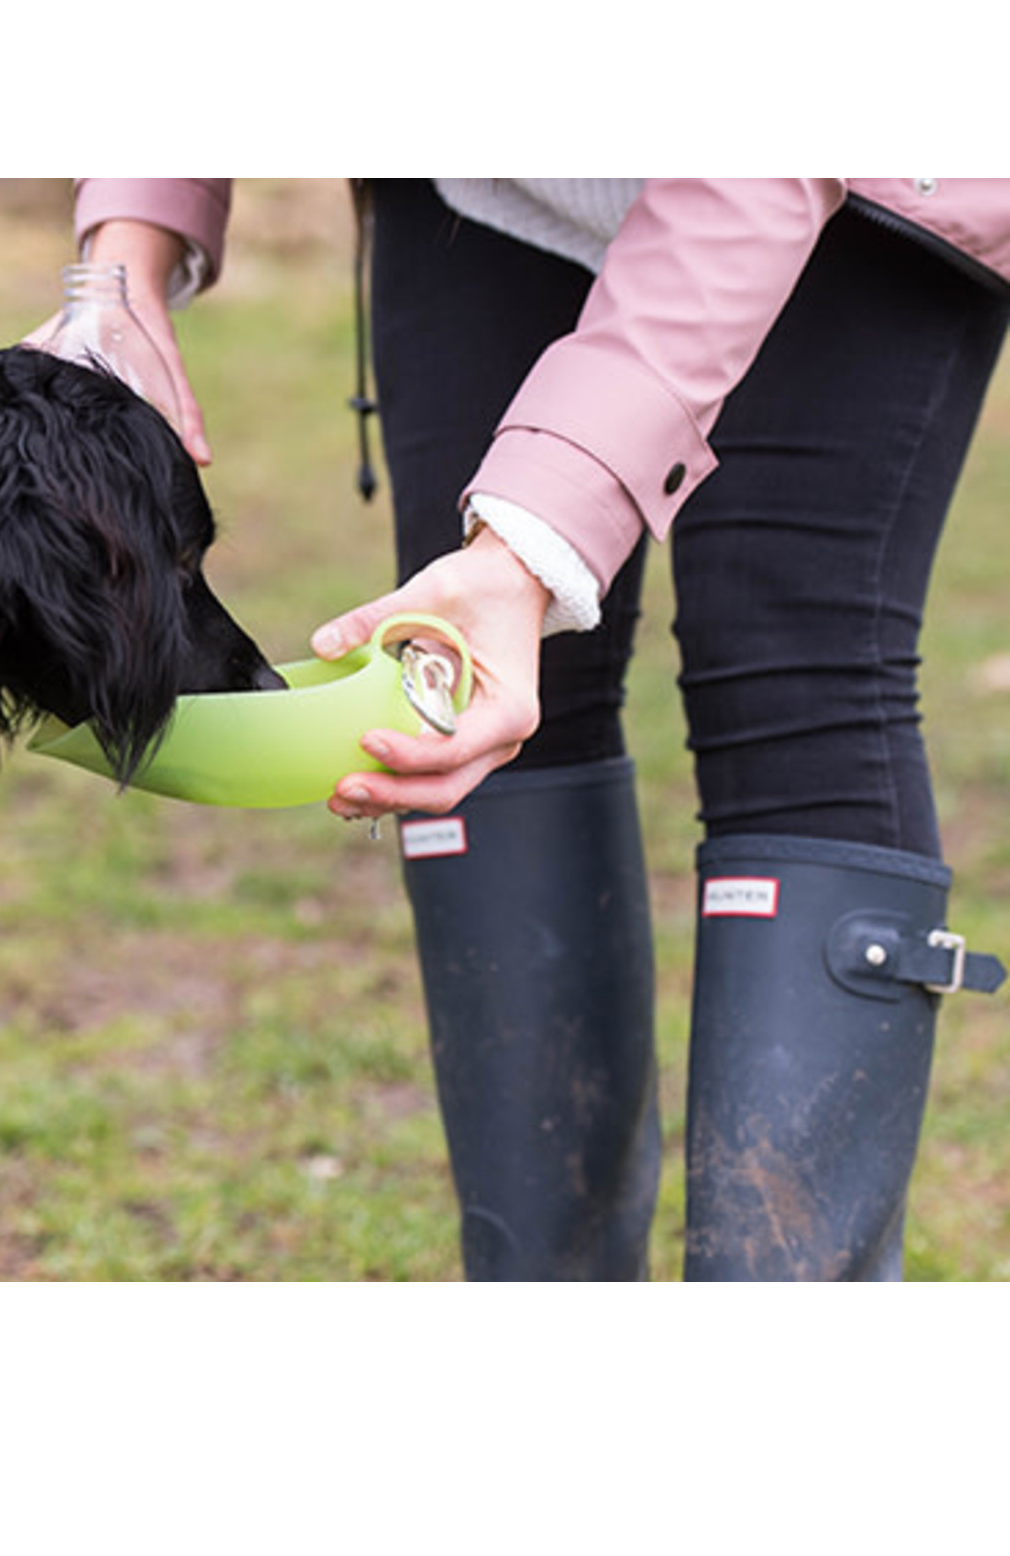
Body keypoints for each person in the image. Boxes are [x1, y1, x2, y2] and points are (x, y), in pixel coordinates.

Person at [58, 178, 1010, 1281]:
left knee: (788, 663)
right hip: (492, 186)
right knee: (455, 674)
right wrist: (121, 257)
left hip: (839, 197)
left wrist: (527, 547)